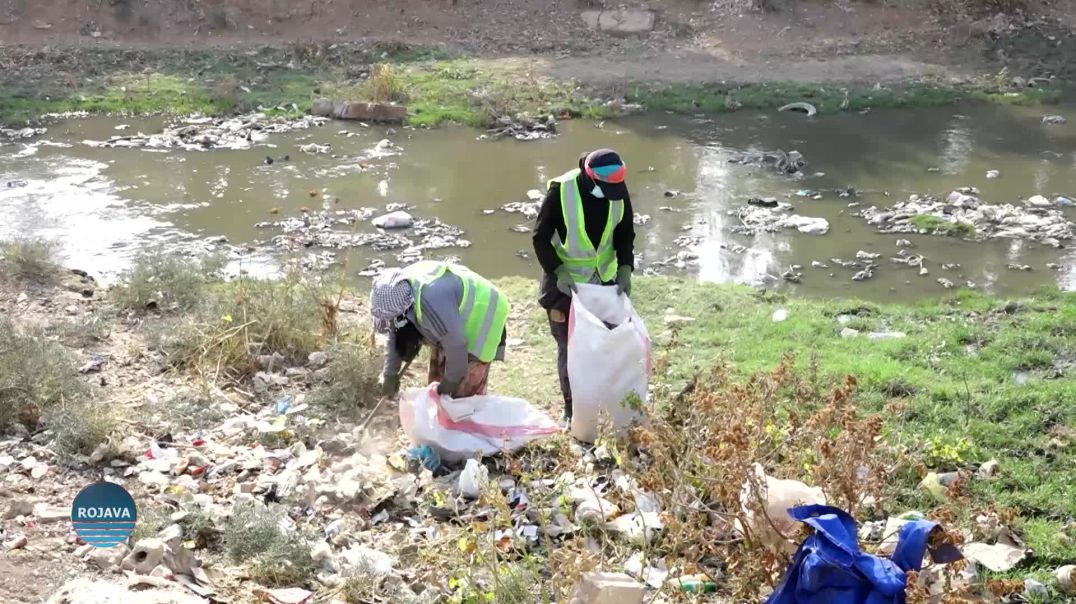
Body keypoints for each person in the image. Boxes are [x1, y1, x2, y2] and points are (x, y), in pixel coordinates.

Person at [531, 148, 635, 422]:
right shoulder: (561, 191)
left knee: (603, 345)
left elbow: (625, 232)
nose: (612, 194)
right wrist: (557, 270)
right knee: (569, 348)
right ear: (590, 178)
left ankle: (600, 403)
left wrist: (625, 267)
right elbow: (540, 238)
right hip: (565, 287)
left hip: (602, 285)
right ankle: (572, 410)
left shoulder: (616, 189)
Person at [370, 260, 509, 399]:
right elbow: (394, 329)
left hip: (482, 312)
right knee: (436, 391)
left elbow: (456, 345)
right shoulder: (398, 290)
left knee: (462, 399)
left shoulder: (430, 302)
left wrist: (450, 384)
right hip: (450, 321)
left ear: (405, 309)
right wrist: (390, 374)